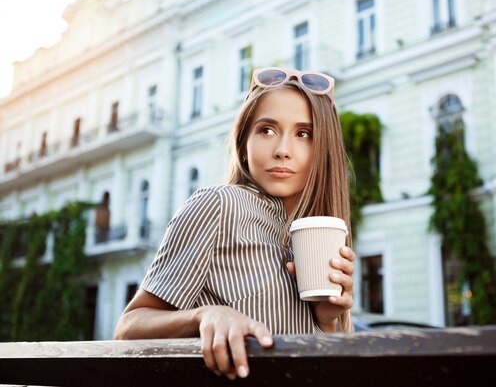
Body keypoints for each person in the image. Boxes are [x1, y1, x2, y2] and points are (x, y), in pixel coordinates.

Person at [114, 67, 355, 380]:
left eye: (303, 134)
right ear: (244, 141)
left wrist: (326, 322)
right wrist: (205, 316)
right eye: (266, 130)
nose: (282, 150)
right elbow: (128, 327)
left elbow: (323, 373)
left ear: (323, 149)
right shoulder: (217, 205)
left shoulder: (318, 234)